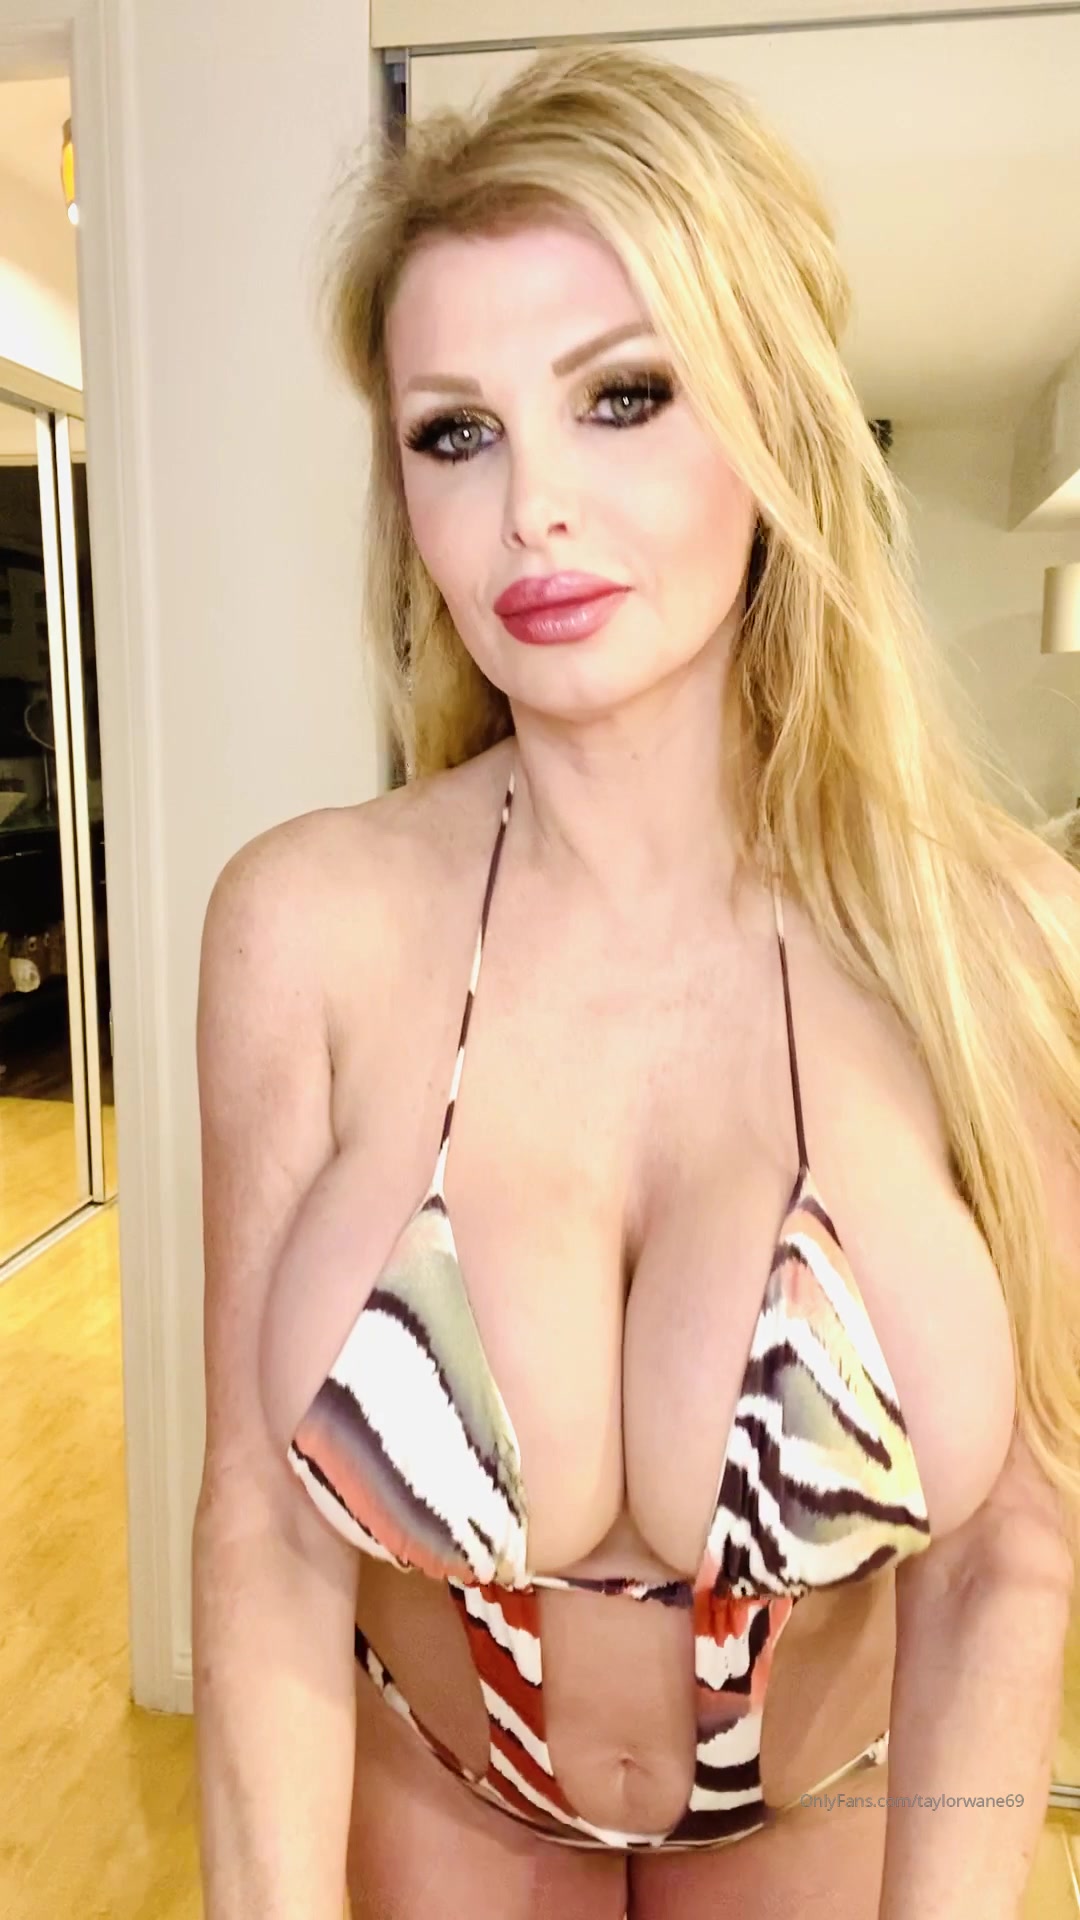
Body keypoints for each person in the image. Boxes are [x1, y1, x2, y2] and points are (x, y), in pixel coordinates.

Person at [191, 44, 1080, 1920]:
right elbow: (264, 1526)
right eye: (456, 432)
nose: (533, 510)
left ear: (776, 420)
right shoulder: (305, 927)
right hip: (439, 1793)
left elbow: (1010, 1551)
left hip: (817, 1808)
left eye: (622, 397)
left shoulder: (994, 936)